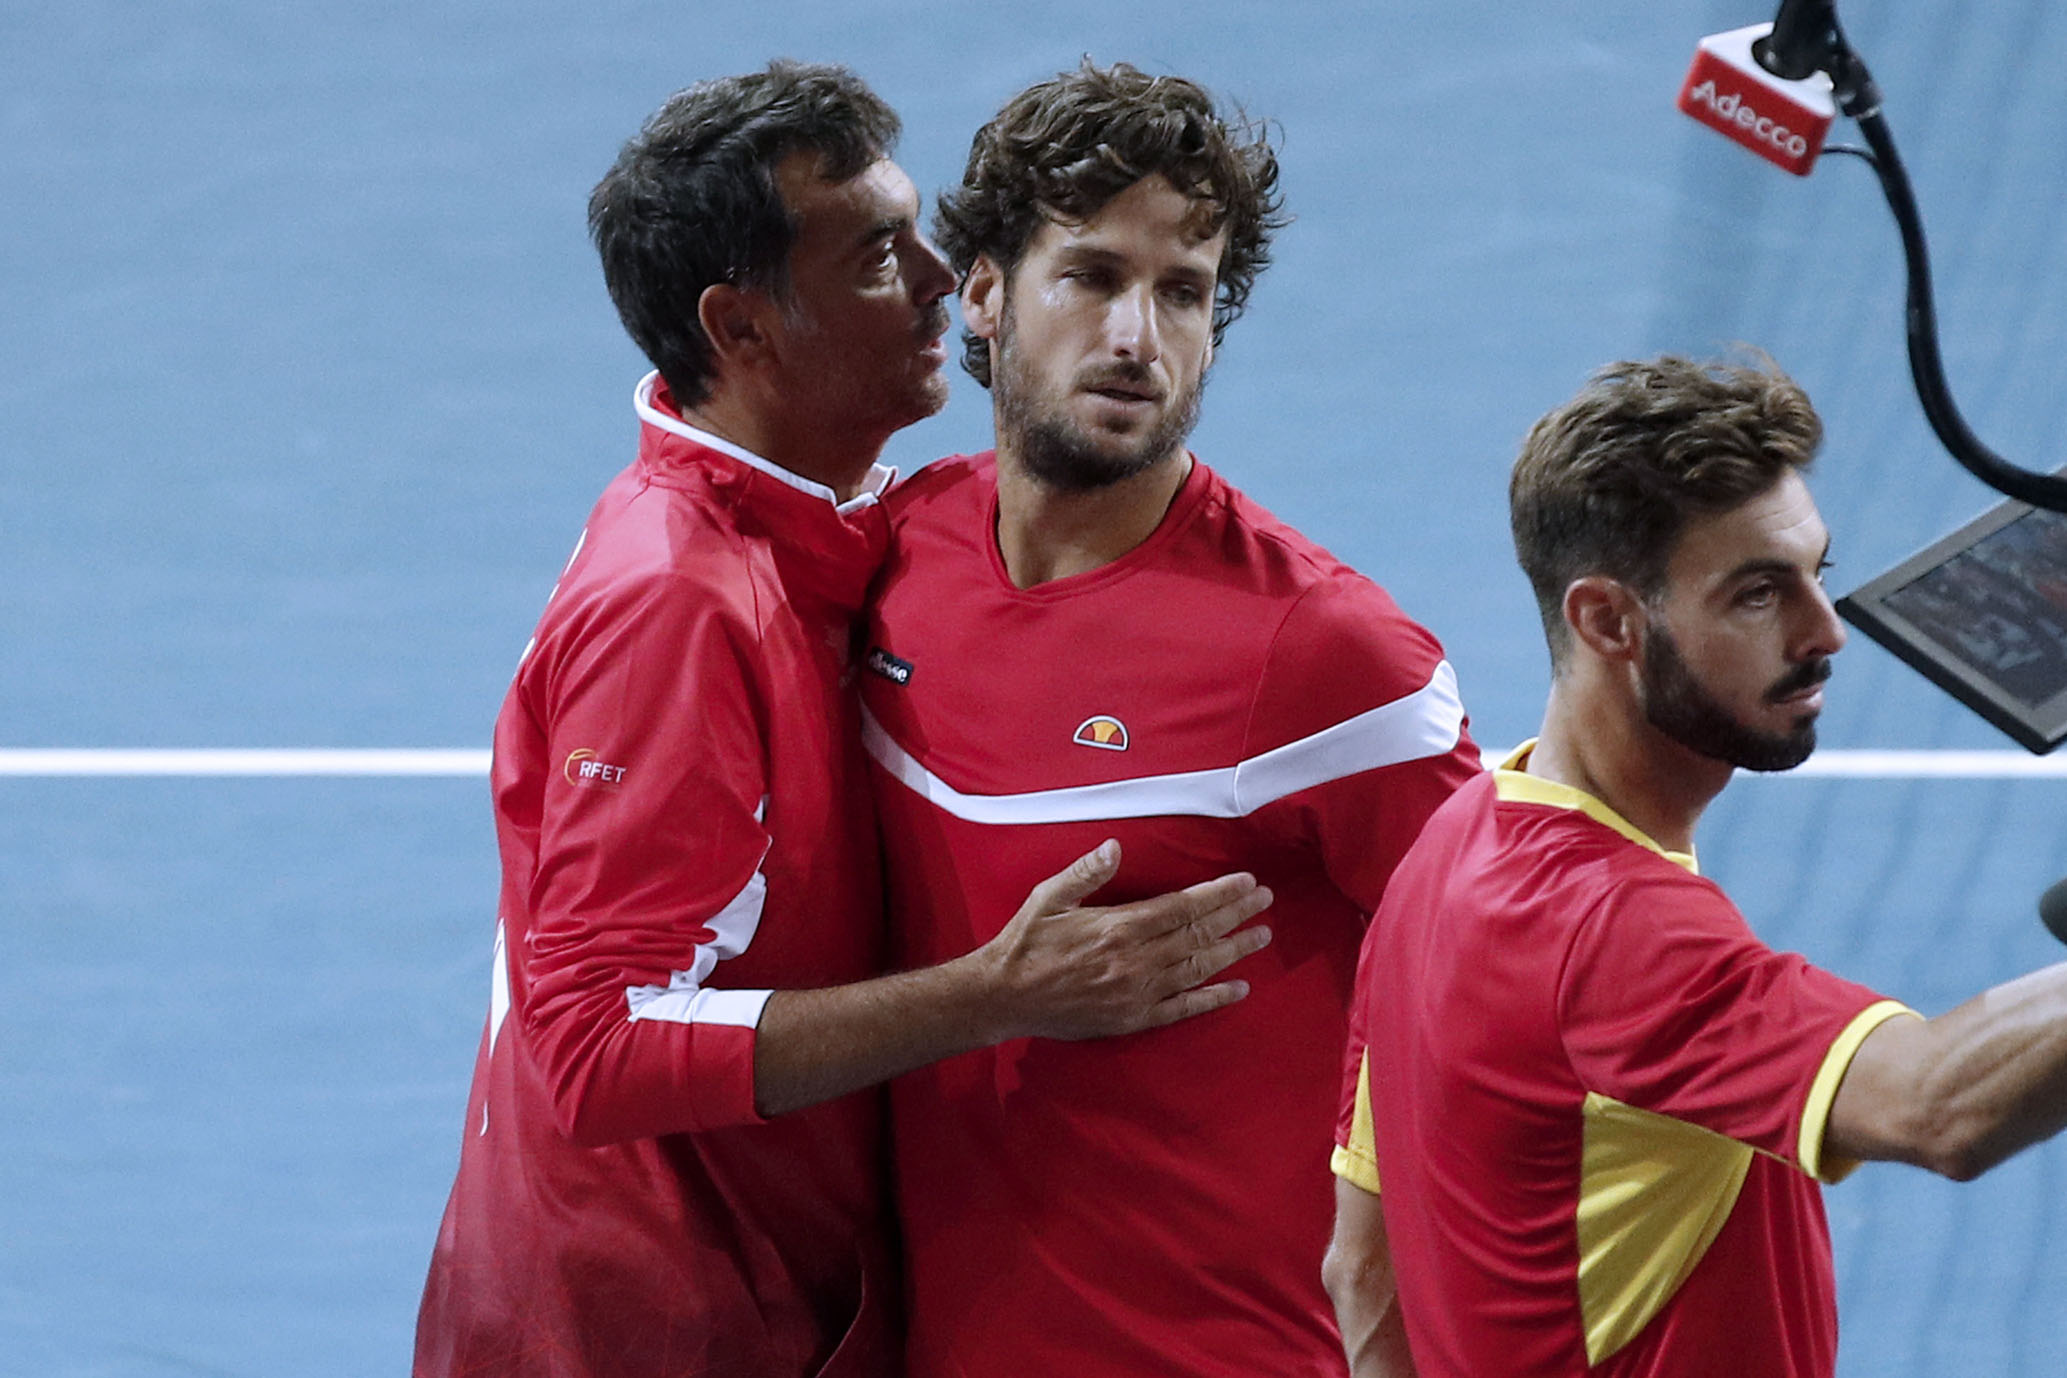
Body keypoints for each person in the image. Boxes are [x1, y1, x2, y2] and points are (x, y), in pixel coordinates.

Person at [413, 61, 1277, 1378]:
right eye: (880, 257)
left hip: (767, 1298)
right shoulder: (677, 606)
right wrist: (998, 993)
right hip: (638, 1336)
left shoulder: (822, 526)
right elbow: (592, 1041)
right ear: (743, 328)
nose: (943, 279)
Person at [859, 61, 1481, 1378]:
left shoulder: (1325, 653)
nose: (1136, 334)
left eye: (1181, 292)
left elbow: (1514, 982)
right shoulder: (895, 555)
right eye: (1090, 276)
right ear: (979, 292)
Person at [1327, 354, 2067, 1377]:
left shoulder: (1452, 843)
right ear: (1608, 621)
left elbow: (1363, 1275)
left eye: (1821, 571)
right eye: (1760, 595)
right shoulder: (1615, 933)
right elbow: (1940, 1105)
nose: (1827, 631)